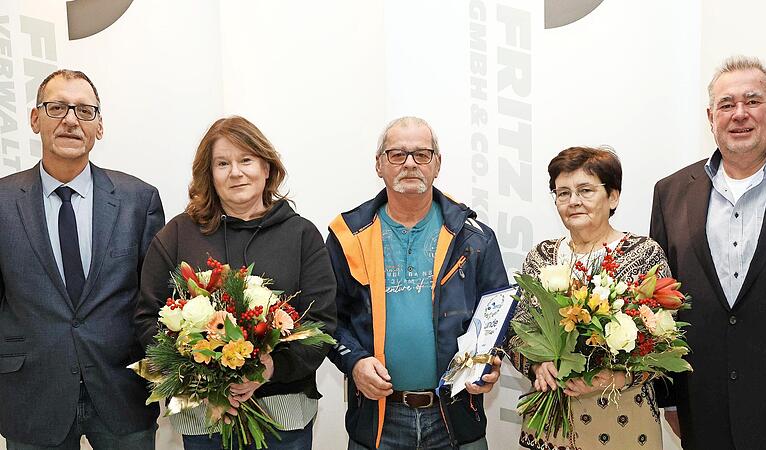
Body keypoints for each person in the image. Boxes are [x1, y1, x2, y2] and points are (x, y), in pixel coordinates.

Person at [134, 116, 336, 450]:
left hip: (284, 417)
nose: (236, 172)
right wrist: (206, 380)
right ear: (209, 175)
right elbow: (147, 318)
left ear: (267, 168)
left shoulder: (301, 235)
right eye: (223, 163)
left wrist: (270, 367)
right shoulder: (178, 234)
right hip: (204, 416)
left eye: (246, 160)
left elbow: (322, 322)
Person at [0, 69, 164, 449]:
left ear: (100, 126)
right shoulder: (3, 202)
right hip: (31, 394)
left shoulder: (139, 200)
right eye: (57, 107)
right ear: (34, 119)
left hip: (123, 389)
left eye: (85, 111)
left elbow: (156, 302)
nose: (71, 120)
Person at [326, 116, 508, 450]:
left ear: (437, 164)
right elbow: (329, 320)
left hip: (454, 415)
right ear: (379, 164)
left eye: (422, 154)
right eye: (397, 154)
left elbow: (497, 315)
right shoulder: (347, 236)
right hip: (379, 419)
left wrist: (489, 363)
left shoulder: (474, 237)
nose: (410, 164)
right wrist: (354, 361)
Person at [650, 56, 766, 449]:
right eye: (727, 104)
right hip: (704, 406)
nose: (739, 114)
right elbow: (660, 306)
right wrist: (668, 400)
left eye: (752, 101)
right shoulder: (671, 192)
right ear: (710, 115)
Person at [508, 146, 670, 450]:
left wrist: (614, 378)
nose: (574, 202)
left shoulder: (644, 254)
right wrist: (536, 366)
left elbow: (663, 342)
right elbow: (517, 334)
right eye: (563, 193)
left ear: (613, 197)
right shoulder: (541, 257)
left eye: (585, 190)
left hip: (625, 420)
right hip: (554, 421)